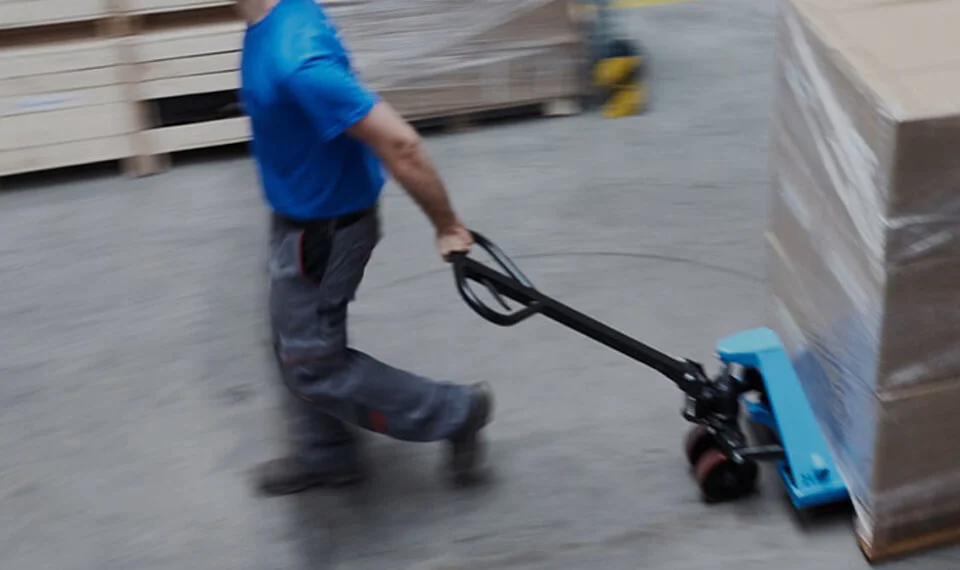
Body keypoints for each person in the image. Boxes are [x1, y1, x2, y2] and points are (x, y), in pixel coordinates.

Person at [236, 0, 494, 495]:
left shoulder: (296, 60)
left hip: (322, 233)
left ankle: (458, 412)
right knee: (291, 340)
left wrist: (447, 225)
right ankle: (326, 454)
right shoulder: (277, 16)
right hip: (300, 214)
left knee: (313, 364)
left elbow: (401, 144)